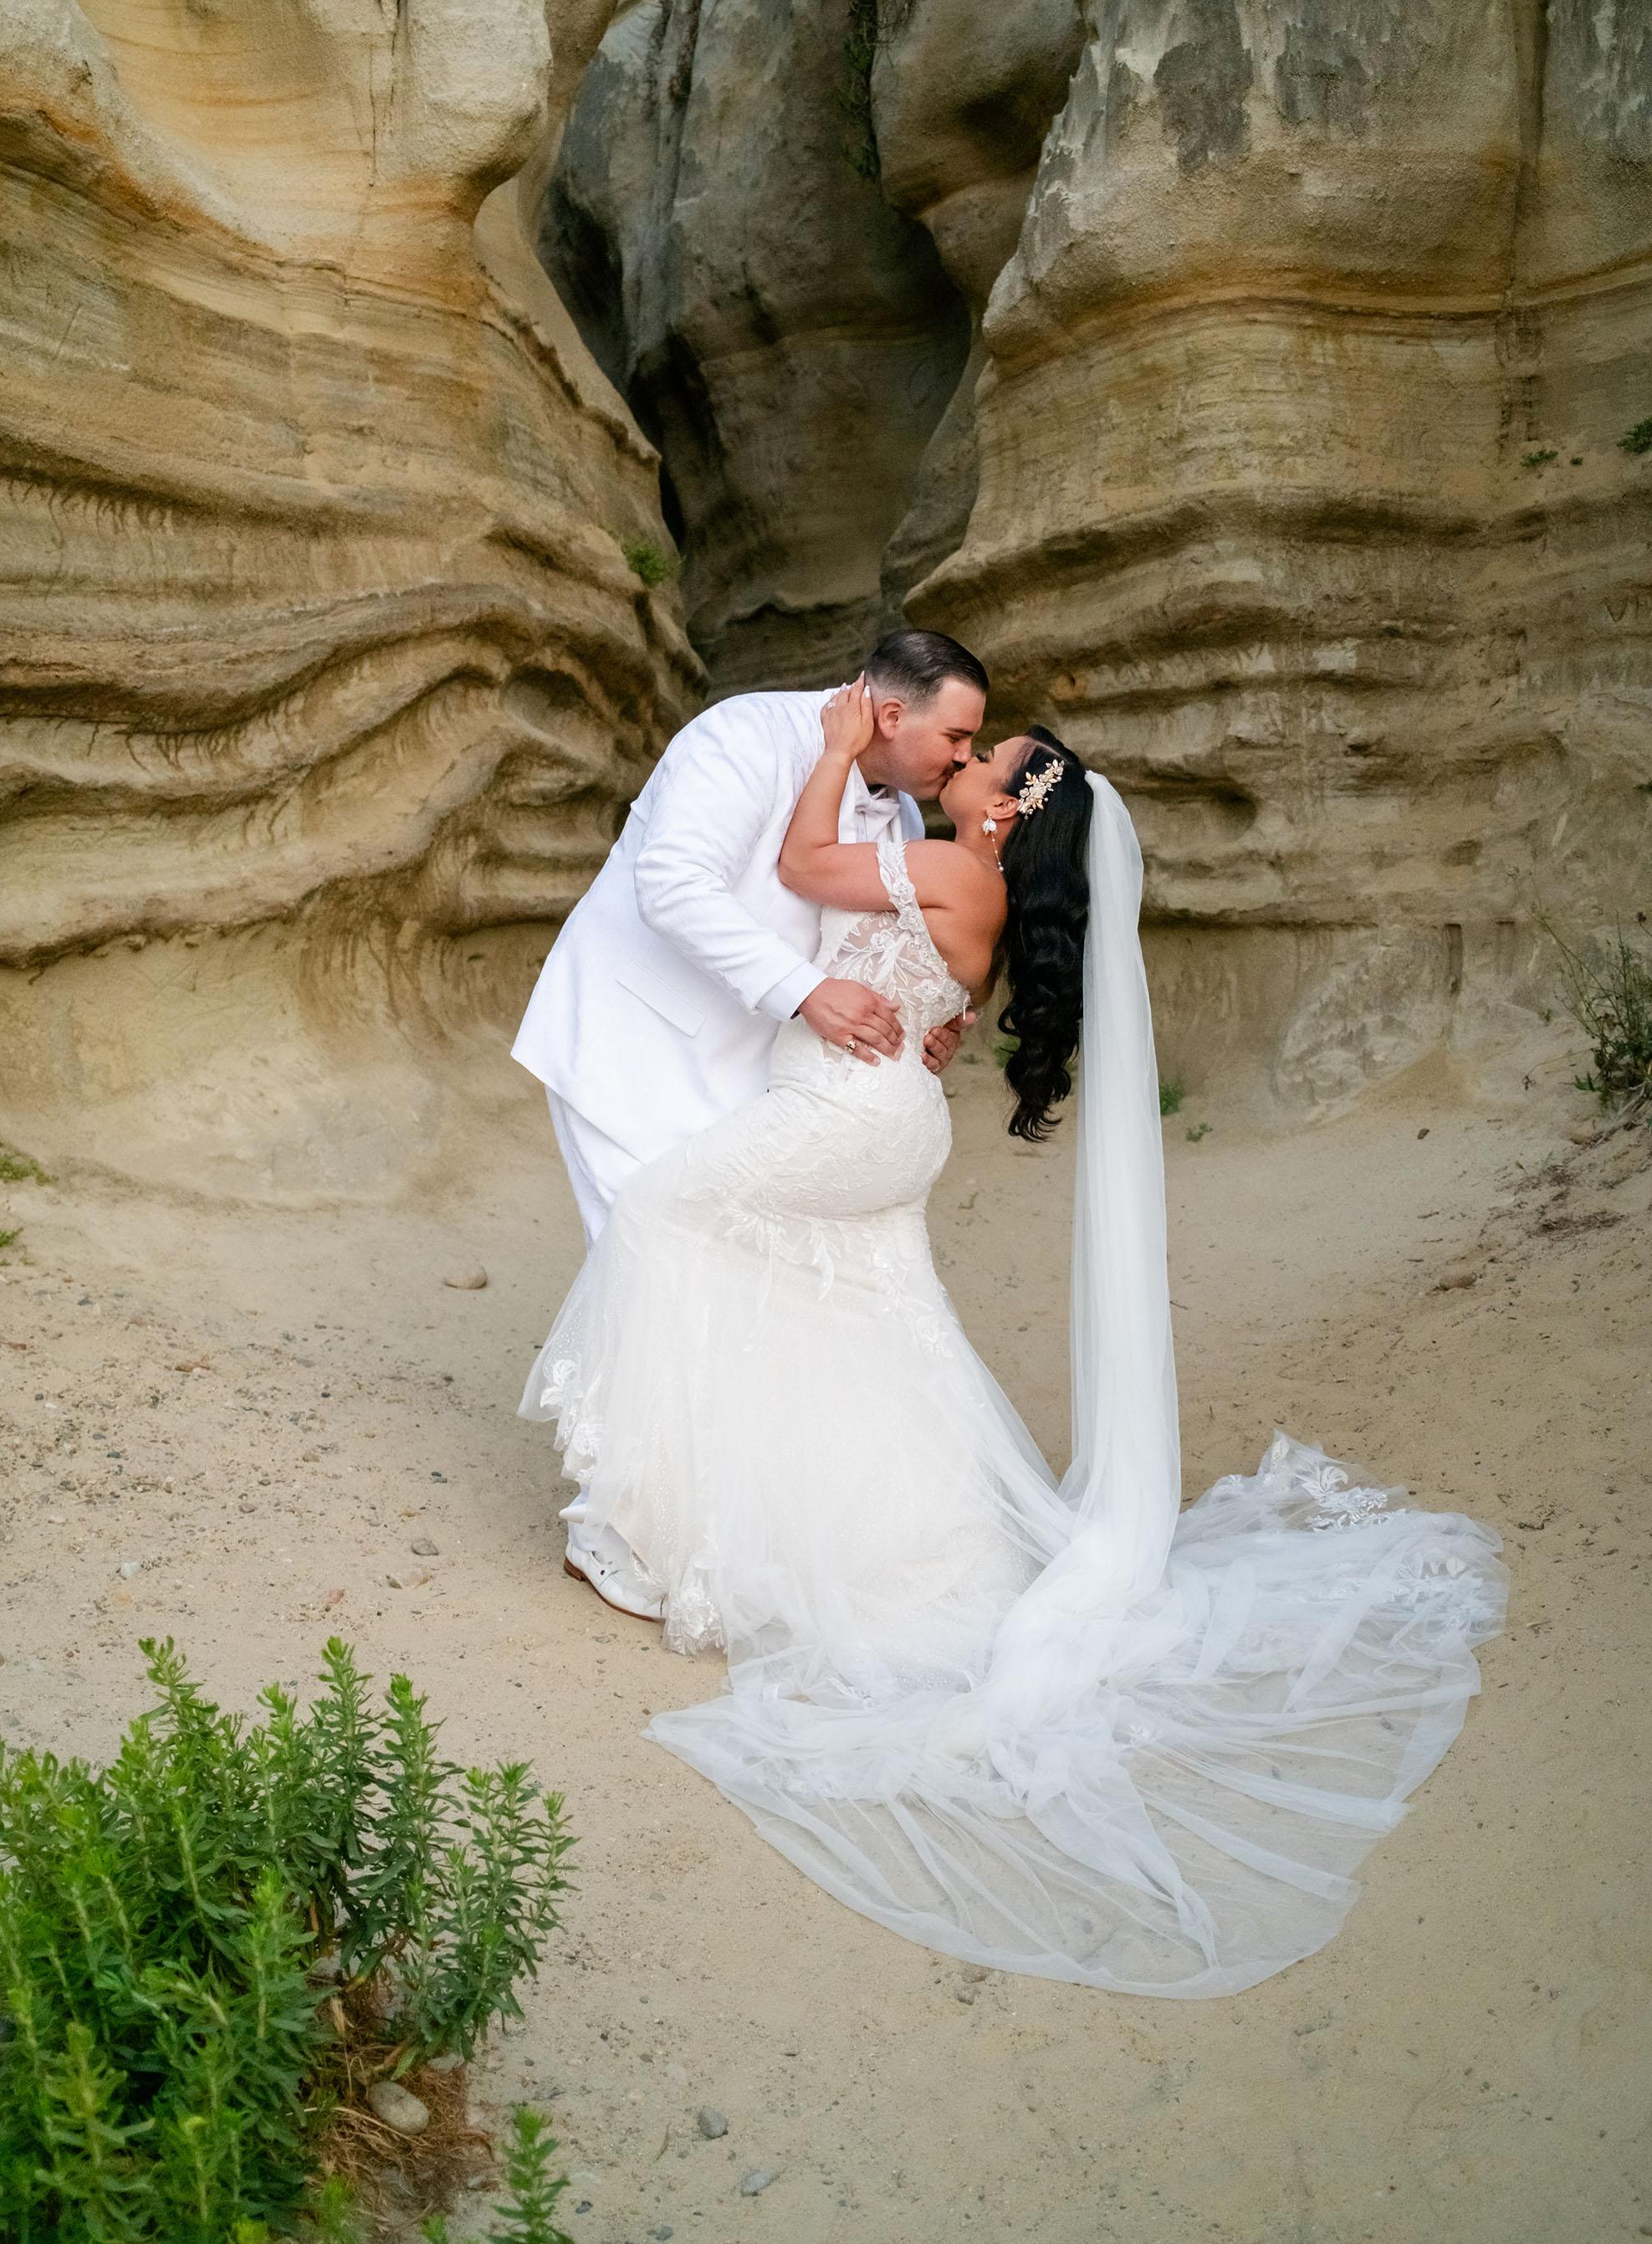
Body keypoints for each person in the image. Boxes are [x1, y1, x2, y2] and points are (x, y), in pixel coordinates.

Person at [514, 680, 1509, 1996]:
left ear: (1008, 809)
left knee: (658, 1217)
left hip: (847, 1117)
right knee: (869, 1334)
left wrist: (823, 754)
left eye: (992, 761)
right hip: (883, 1120)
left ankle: (645, 1522)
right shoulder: (961, 879)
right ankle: (853, 1541)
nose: (971, 761)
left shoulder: (937, 856)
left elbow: (809, 864)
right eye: (972, 743)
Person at [509, 629, 990, 1614]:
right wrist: (807, 991)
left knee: (734, 1288)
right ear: (891, 715)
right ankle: (629, 1536)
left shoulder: (899, 807)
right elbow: (672, 884)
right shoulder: (741, 734)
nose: (961, 759)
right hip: (632, 1041)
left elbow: (888, 938)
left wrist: (930, 1013)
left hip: (772, 1075)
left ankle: (726, 1523)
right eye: (957, 736)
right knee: (648, 1264)